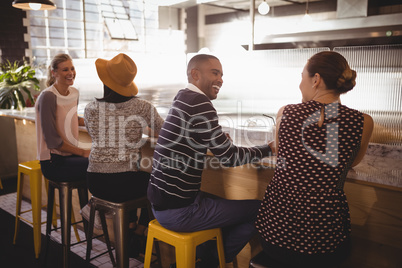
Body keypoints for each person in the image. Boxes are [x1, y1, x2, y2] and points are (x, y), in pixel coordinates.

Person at [147, 54, 275, 267]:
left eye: (222, 74)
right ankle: (210, 262)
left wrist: (209, 141)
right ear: (195, 74)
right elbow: (229, 157)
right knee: (260, 208)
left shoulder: (183, 97)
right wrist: (267, 149)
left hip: (161, 205)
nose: (221, 79)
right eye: (214, 72)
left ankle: (203, 257)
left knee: (222, 202)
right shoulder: (200, 102)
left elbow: (187, 135)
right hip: (179, 211)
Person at [255, 51, 374, 268]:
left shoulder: (286, 113)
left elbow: (281, 153)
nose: (300, 84)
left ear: (316, 79)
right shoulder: (363, 122)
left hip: (275, 235)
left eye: (302, 77)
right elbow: (352, 162)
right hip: (324, 242)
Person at [84, 53, 164, 256]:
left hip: (95, 181)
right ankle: (140, 230)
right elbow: (167, 131)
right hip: (125, 182)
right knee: (156, 183)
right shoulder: (142, 106)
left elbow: (100, 134)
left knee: (136, 178)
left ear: (105, 82)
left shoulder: (90, 108)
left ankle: (130, 234)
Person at [35, 53, 90, 183]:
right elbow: (53, 141)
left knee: (100, 163)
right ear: (54, 73)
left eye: (72, 68)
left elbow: (72, 118)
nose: (71, 73)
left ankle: (91, 203)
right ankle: (93, 203)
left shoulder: (74, 92)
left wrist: (95, 123)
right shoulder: (48, 96)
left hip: (70, 156)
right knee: (98, 165)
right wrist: (82, 152)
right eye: (65, 70)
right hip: (53, 161)